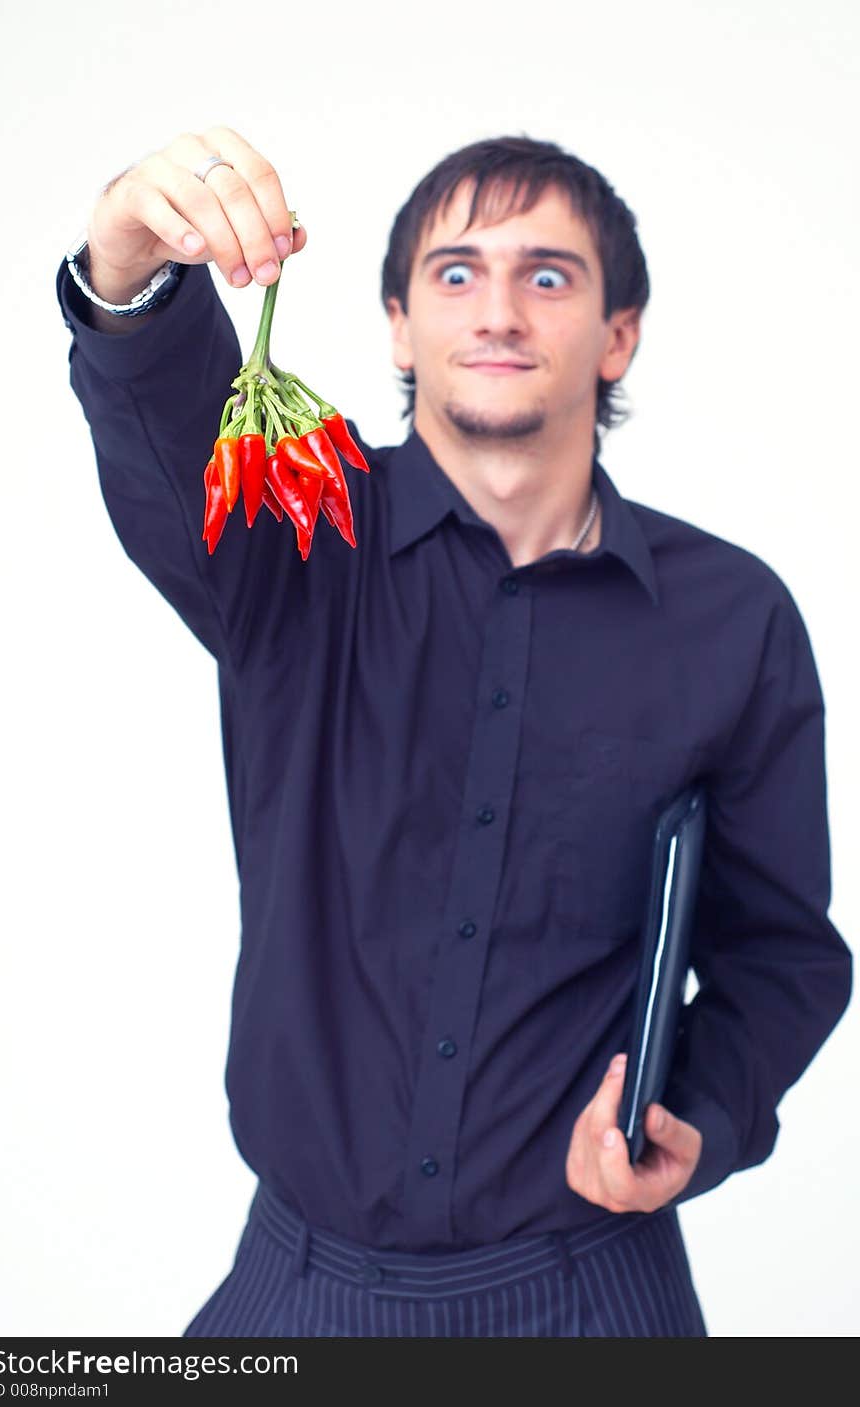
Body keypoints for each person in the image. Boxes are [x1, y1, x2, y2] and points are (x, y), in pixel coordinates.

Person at [56, 125, 851, 1338]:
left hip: (594, 1293)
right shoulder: (294, 541)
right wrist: (126, 267)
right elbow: (168, 425)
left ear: (617, 334)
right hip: (298, 1298)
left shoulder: (731, 621)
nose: (498, 310)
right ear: (397, 325)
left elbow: (779, 956)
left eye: (547, 275)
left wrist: (695, 1108)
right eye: (455, 272)